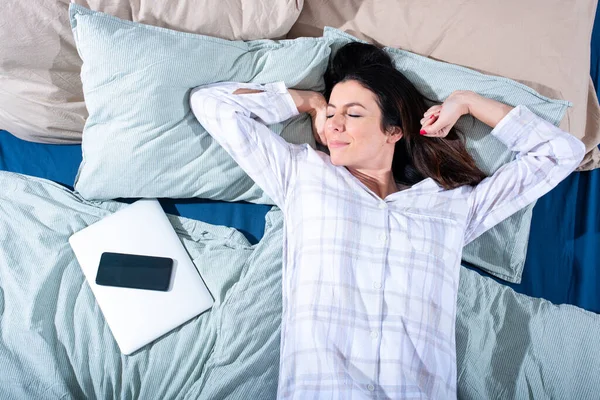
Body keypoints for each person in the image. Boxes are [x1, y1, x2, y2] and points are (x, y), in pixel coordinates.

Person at [189, 42, 585, 399]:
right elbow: (213, 104)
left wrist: (466, 102)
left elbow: (559, 153)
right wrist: (308, 101)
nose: (335, 123)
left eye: (353, 113)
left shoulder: (448, 207)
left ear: (393, 130)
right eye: (332, 114)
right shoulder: (304, 175)